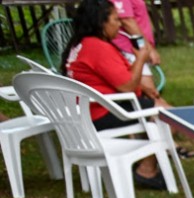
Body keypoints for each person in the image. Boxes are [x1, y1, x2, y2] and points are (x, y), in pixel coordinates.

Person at [62, 0, 165, 188]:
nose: (119, 24)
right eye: (115, 19)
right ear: (101, 22)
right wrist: (141, 58)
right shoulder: (97, 47)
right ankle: (147, 170)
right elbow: (126, 86)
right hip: (100, 112)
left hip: (87, 110)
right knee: (166, 115)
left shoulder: (81, 44)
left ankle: (141, 160)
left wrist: (142, 87)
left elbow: (120, 78)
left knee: (155, 107)